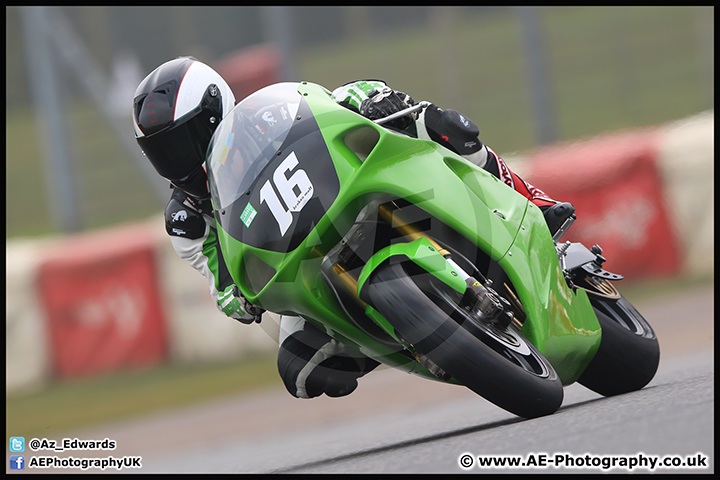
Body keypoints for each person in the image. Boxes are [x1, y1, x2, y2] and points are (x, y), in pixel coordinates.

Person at [133, 58, 575, 401]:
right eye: (162, 152)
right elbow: (221, 282)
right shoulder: (186, 221)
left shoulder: (266, 116)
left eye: (183, 140)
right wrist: (238, 299)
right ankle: (416, 334)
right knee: (301, 372)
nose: (177, 161)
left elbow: (326, 102)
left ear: (215, 112)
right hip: (301, 261)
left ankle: (531, 199)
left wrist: (374, 99)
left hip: (349, 192)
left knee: (439, 123)